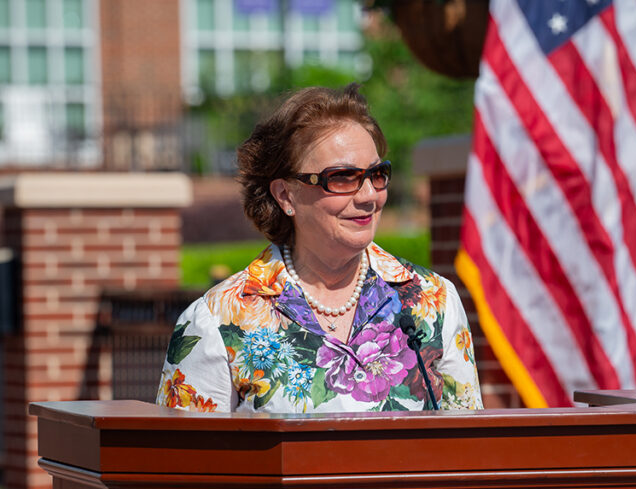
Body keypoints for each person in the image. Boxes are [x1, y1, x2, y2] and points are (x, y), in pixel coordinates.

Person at [157, 85, 482, 413]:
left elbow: (472, 450)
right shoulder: (217, 322)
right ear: (285, 195)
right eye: (342, 177)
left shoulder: (433, 302)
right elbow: (183, 460)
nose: (369, 195)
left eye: (377, 174)